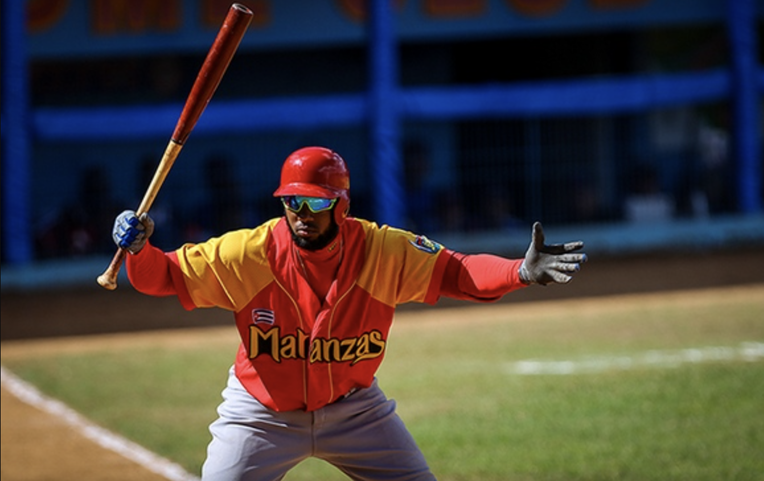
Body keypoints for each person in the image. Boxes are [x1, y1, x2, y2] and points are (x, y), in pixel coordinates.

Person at [112, 146, 587, 481]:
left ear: (341, 205)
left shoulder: (383, 251)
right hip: (261, 414)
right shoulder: (250, 254)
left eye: (315, 202)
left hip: (354, 410)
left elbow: (457, 273)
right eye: (291, 201)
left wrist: (518, 272)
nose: (302, 212)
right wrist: (139, 249)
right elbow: (164, 277)